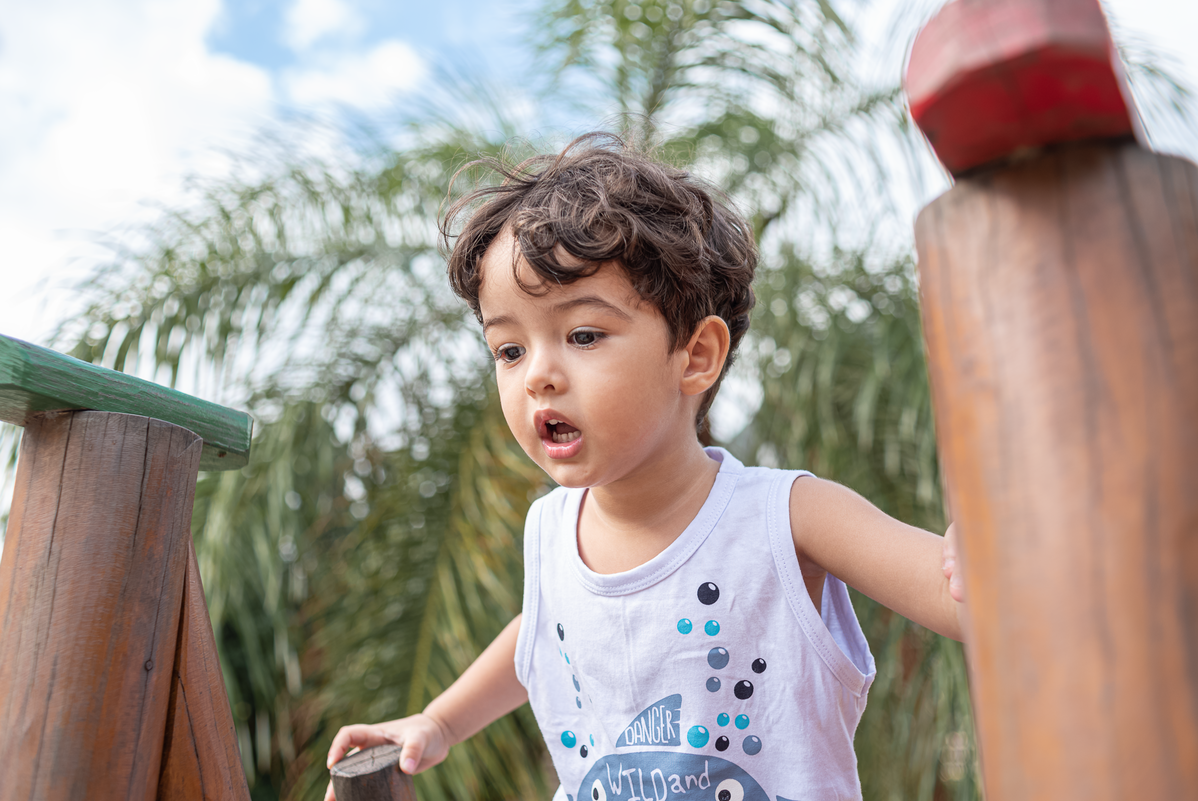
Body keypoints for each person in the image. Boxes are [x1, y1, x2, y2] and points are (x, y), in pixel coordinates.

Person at [324, 133, 964, 801]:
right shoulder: (548, 530)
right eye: (509, 349)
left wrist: (980, 561)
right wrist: (441, 720)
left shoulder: (785, 517)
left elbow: (963, 595)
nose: (538, 374)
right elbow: (548, 629)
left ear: (694, 355)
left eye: (582, 335)